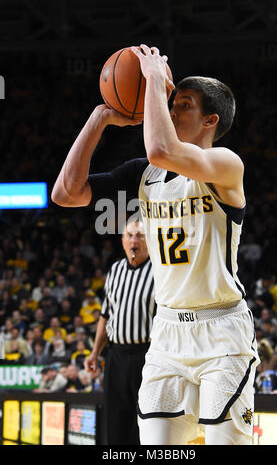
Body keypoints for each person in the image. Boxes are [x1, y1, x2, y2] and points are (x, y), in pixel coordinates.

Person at [52, 44, 260, 445]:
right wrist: (98, 120)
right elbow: (66, 193)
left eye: (182, 104)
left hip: (222, 333)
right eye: (171, 100)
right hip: (164, 335)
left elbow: (161, 149)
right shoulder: (144, 175)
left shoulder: (226, 164)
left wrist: (149, 78)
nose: (169, 107)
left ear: (210, 120)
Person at [84, 221, 157, 445]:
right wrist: (95, 352)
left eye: (140, 236)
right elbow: (105, 316)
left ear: (150, 240)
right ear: (123, 241)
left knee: (145, 422)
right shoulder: (115, 270)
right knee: (115, 421)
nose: (134, 241)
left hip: (148, 356)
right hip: (116, 356)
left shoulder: (160, 271)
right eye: (130, 236)